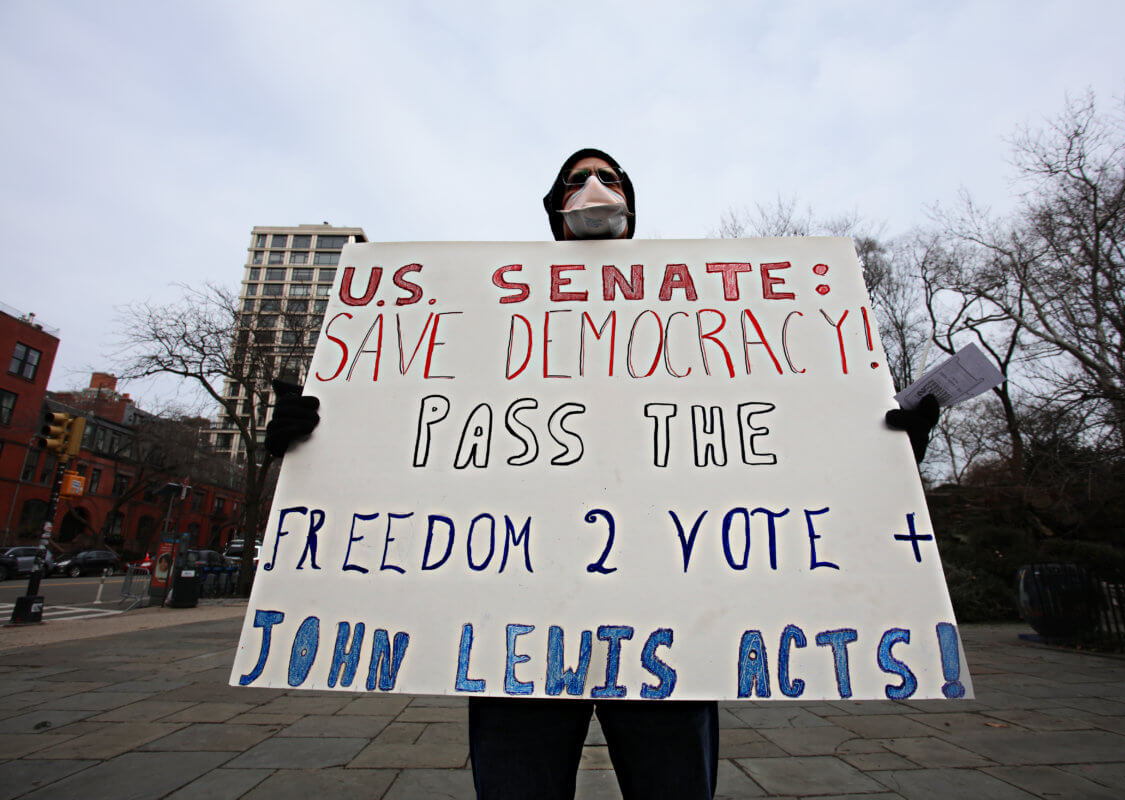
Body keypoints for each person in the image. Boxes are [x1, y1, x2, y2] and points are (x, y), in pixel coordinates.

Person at [266, 148, 939, 800]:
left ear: (632, 204)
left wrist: (878, 452)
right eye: (576, 180)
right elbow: (415, 441)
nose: (593, 187)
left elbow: (783, 445)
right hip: (516, 637)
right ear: (555, 209)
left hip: (668, 632)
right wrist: (317, 444)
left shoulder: (699, 326)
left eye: (608, 177)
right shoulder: (482, 327)